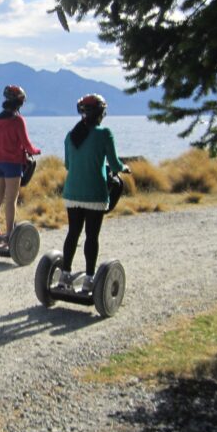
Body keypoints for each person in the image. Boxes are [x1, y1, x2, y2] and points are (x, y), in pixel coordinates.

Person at [59, 93, 129, 289]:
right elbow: (114, 164)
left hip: (72, 192)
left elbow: (67, 164)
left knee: (73, 233)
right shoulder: (105, 133)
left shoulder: (70, 135)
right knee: (91, 235)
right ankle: (89, 278)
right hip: (95, 193)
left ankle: (65, 274)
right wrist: (124, 168)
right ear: (101, 113)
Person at [0, 84, 41, 243]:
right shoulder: (17, 120)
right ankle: (10, 233)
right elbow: (26, 144)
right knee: (11, 199)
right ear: (20, 103)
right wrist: (36, 151)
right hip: (12, 164)